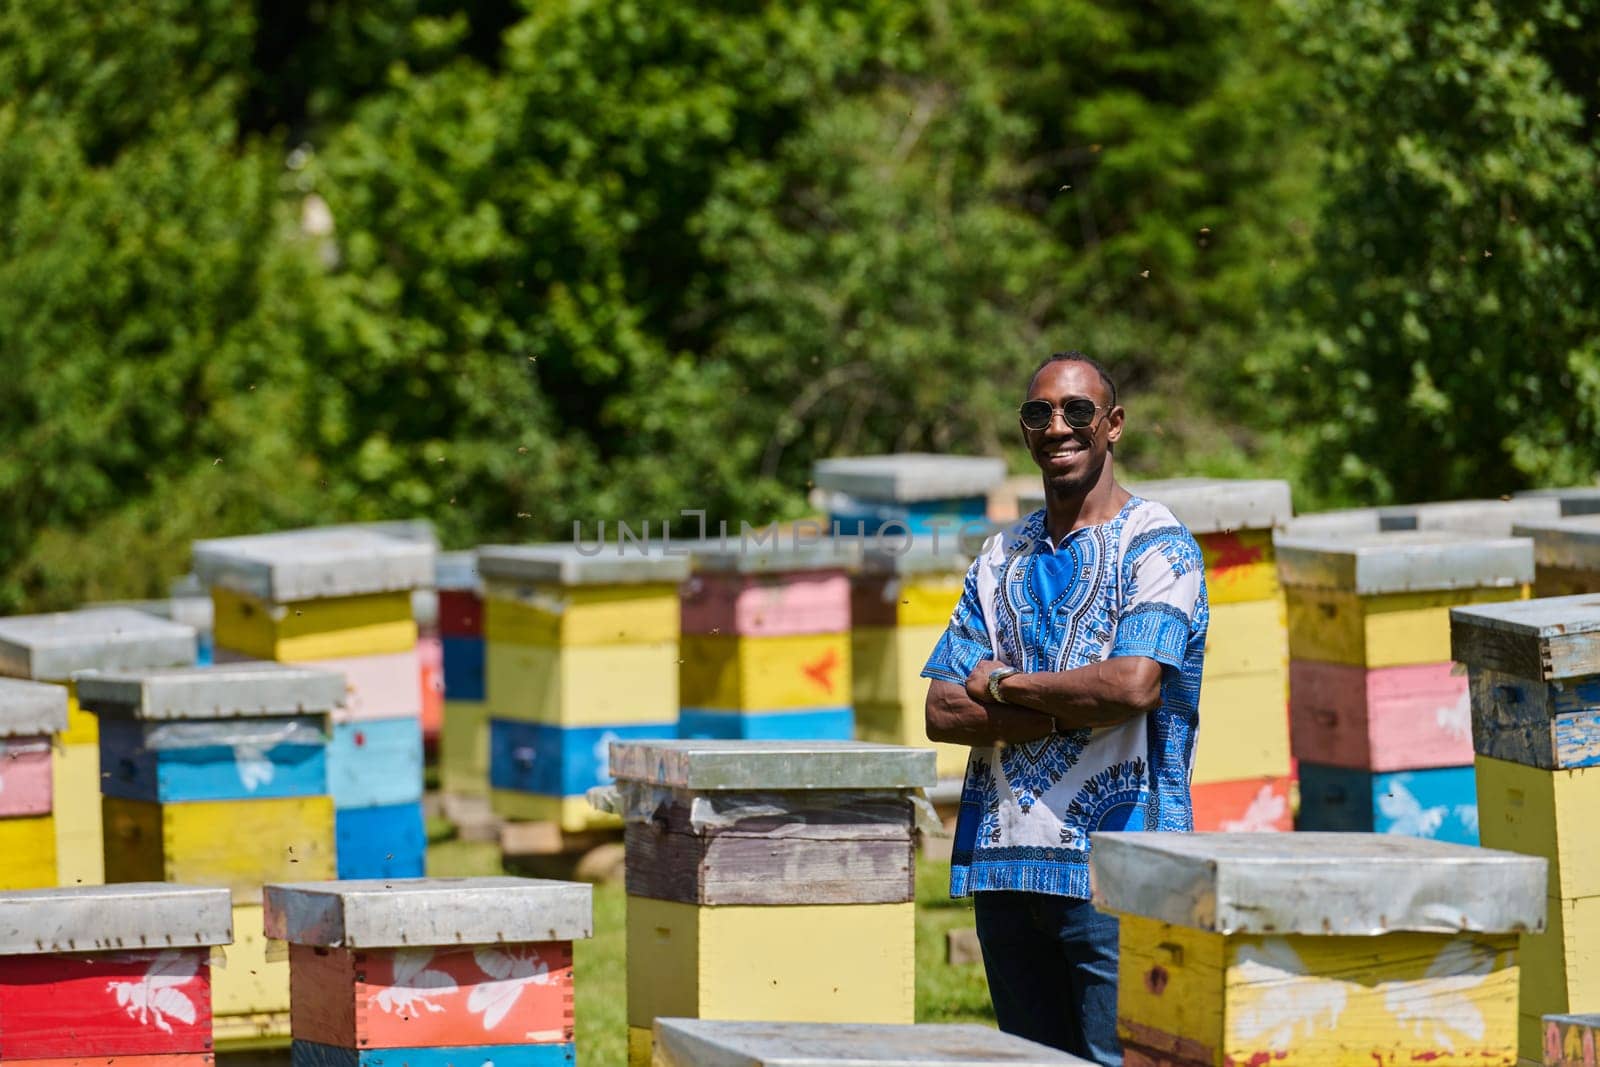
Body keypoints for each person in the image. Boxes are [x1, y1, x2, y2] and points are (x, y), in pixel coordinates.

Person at [921, 351, 1208, 1066]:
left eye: (1077, 411)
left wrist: (1004, 684)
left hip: (1123, 868)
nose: (1058, 426)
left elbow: (1132, 687)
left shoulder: (1158, 545)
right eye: (1038, 412)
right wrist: (1070, 703)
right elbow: (940, 708)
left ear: (1113, 425)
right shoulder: (1000, 556)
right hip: (1006, 869)